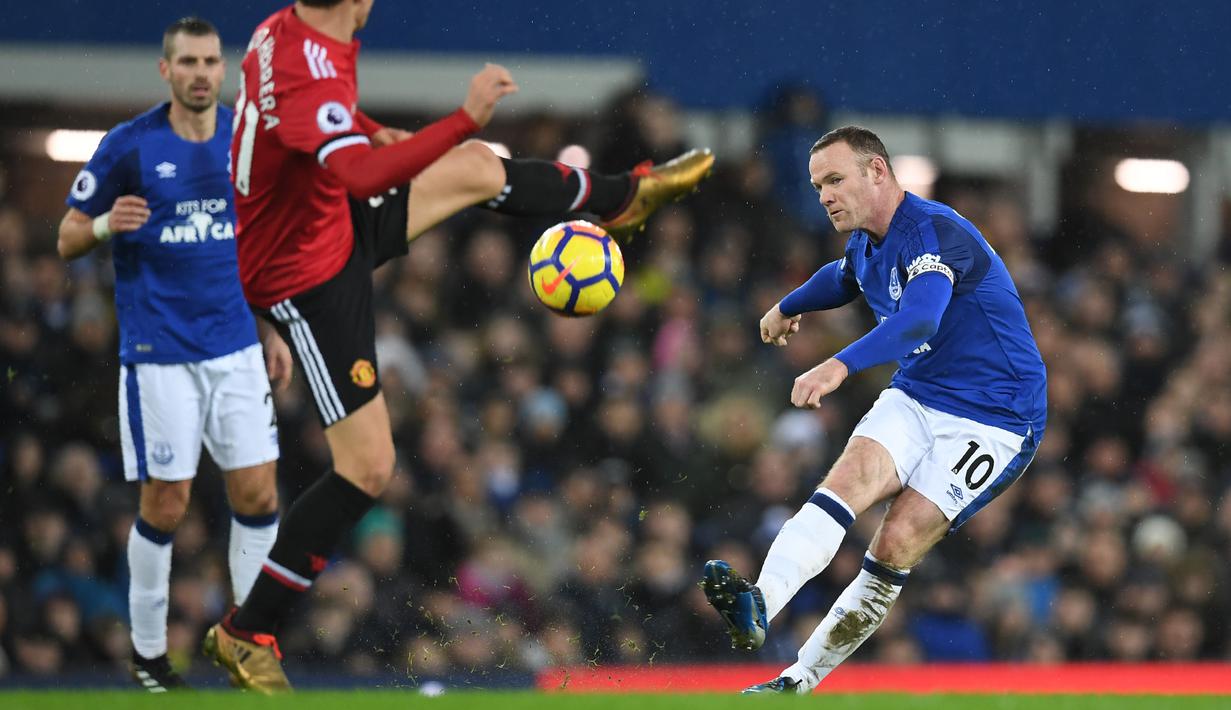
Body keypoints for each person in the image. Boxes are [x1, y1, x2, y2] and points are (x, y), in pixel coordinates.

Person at [203, 0, 713, 693]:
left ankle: (626, 196)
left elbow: (297, 128)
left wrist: (369, 129)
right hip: (305, 276)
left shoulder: (289, 28)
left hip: (326, 227)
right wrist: (461, 117)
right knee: (368, 469)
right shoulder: (311, 57)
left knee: (475, 167)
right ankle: (246, 634)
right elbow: (358, 174)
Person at [702, 126, 1046, 693]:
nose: (825, 196)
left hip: (999, 417)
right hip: (921, 393)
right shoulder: (867, 242)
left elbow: (918, 320)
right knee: (846, 482)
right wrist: (787, 305)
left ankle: (798, 680)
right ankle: (759, 603)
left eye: (835, 180)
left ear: (877, 172)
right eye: (817, 187)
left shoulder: (933, 233)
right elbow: (843, 278)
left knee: (895, 541)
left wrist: (838, 364)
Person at [57, 17, 289, 692]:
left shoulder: (244, 142)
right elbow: (67, 236)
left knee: (259, 492)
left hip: (236, 346)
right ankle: (150, 656)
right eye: (186, 61)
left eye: (210, 61)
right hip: (159, 354)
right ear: (166, 70)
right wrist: (105, 224)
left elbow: (262, 245)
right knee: (167, 502)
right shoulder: (129, 147)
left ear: (224, 70)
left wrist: (272, 327)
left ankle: (250, 647)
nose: (198, 72)